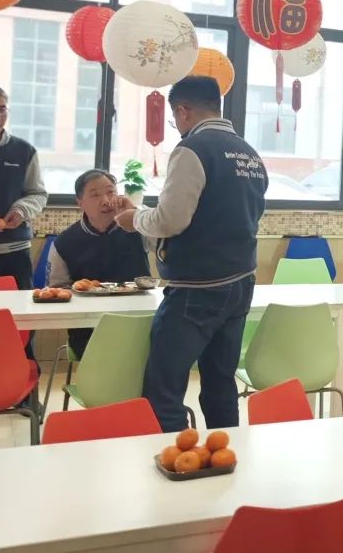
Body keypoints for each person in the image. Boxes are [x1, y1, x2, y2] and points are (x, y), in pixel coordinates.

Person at [115, 76, 267, 432]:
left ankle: (174, 458)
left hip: (198, 288)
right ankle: (225, 453)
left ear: (182, 111)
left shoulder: (193, 149)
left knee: (164, 388)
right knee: (220, 382)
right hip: (241, 281)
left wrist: (134, 219)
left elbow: (171, 220)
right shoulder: (248, 153)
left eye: (175, 118)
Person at [0, 83, 47, 426]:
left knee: (22, 324)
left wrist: (22, 210)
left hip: (13, 253)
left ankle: (25, 395)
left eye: (2, 108)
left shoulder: (24, 150)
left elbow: (37, 193)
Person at [47, 170, 152, 359]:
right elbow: (58, 289)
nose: (106, 200)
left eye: (111, 192)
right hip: (89, 330)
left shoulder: (138, 228)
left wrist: (136, 214)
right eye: (95, 195)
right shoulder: (64, 242)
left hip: (139, 323)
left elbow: (170, 243)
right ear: (80, 203)